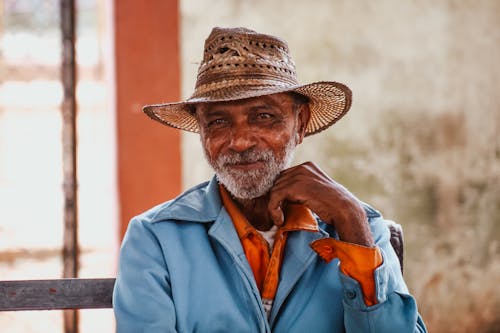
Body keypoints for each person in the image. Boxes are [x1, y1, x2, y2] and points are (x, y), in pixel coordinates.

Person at [113, 27, 427, 333]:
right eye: (218, 122)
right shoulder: (156, 239)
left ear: (300, 124)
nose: (239, 141)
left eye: (262, 116)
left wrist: (352, 222)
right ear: (202, 133)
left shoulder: (358, 226)